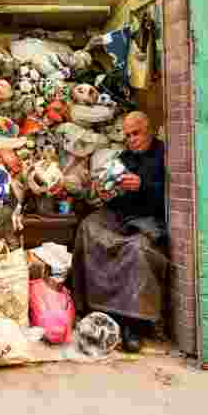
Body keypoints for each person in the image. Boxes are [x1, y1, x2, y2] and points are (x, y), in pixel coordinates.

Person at [72, 111, 168, 353]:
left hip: (149, 220)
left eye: (137, 134)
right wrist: (105, 192)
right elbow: (114, 193)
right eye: (128, 136)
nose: (132, 140)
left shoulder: (164, 154)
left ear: (149, 130)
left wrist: (143, 185)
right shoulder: (125, 157)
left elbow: (171, 192)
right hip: (122, 215)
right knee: (89, 227)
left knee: (137, 250)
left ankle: (133, 323)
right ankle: (89, 306)